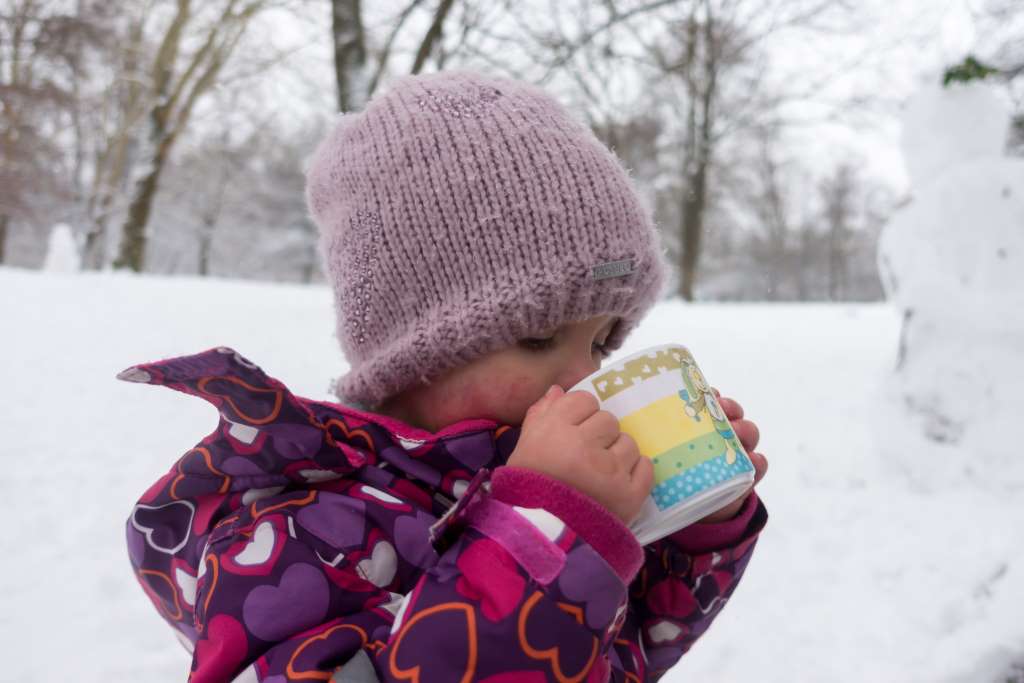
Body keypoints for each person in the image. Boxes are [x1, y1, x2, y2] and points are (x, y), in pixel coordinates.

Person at [123, 71, 768, 682]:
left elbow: (627, 654)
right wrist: (542, 531)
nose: (580, 379)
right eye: (538, 338)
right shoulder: (303, 530)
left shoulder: (529, 486)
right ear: (414, 354)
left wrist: (693, 529)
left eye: (601, 343)